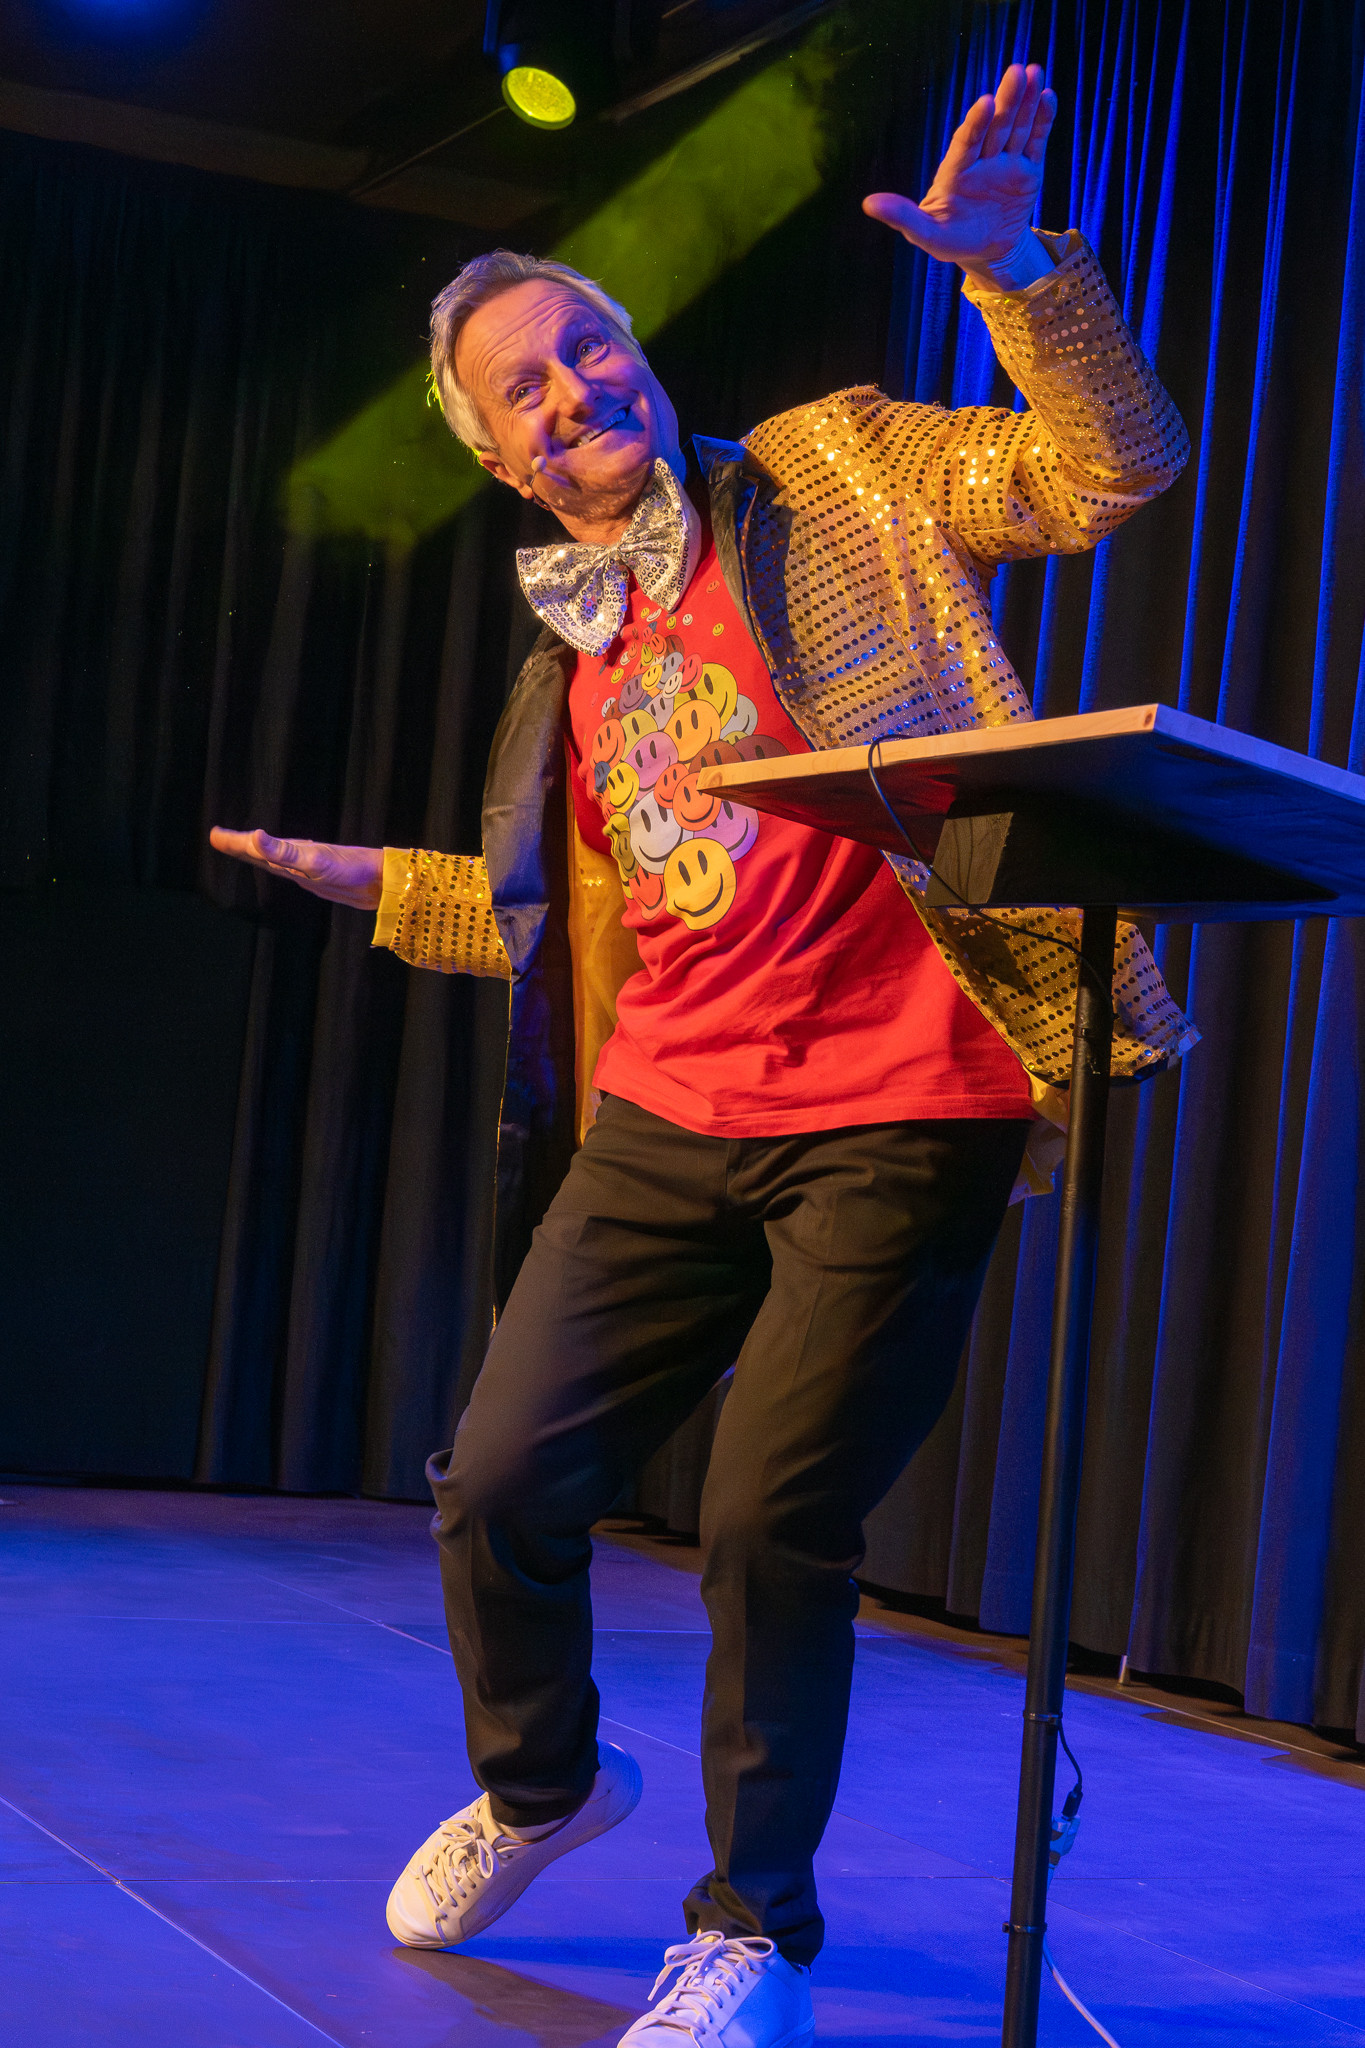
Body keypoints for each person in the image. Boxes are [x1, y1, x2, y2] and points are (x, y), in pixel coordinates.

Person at [212, 63, 1193, 2048]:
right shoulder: (564, 666)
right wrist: (374, 884)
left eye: (586, 346)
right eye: (523, 388)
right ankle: (542, 1786)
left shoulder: (833, 473)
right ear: (501, 459)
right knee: (495, 1482)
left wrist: (1018, 276)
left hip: (904, 1096)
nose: (569, 389)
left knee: (764, 1520)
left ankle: (752, 1930)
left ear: (639, 358)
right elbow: (591, 907)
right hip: (665, 1108)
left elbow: (1109, 473)